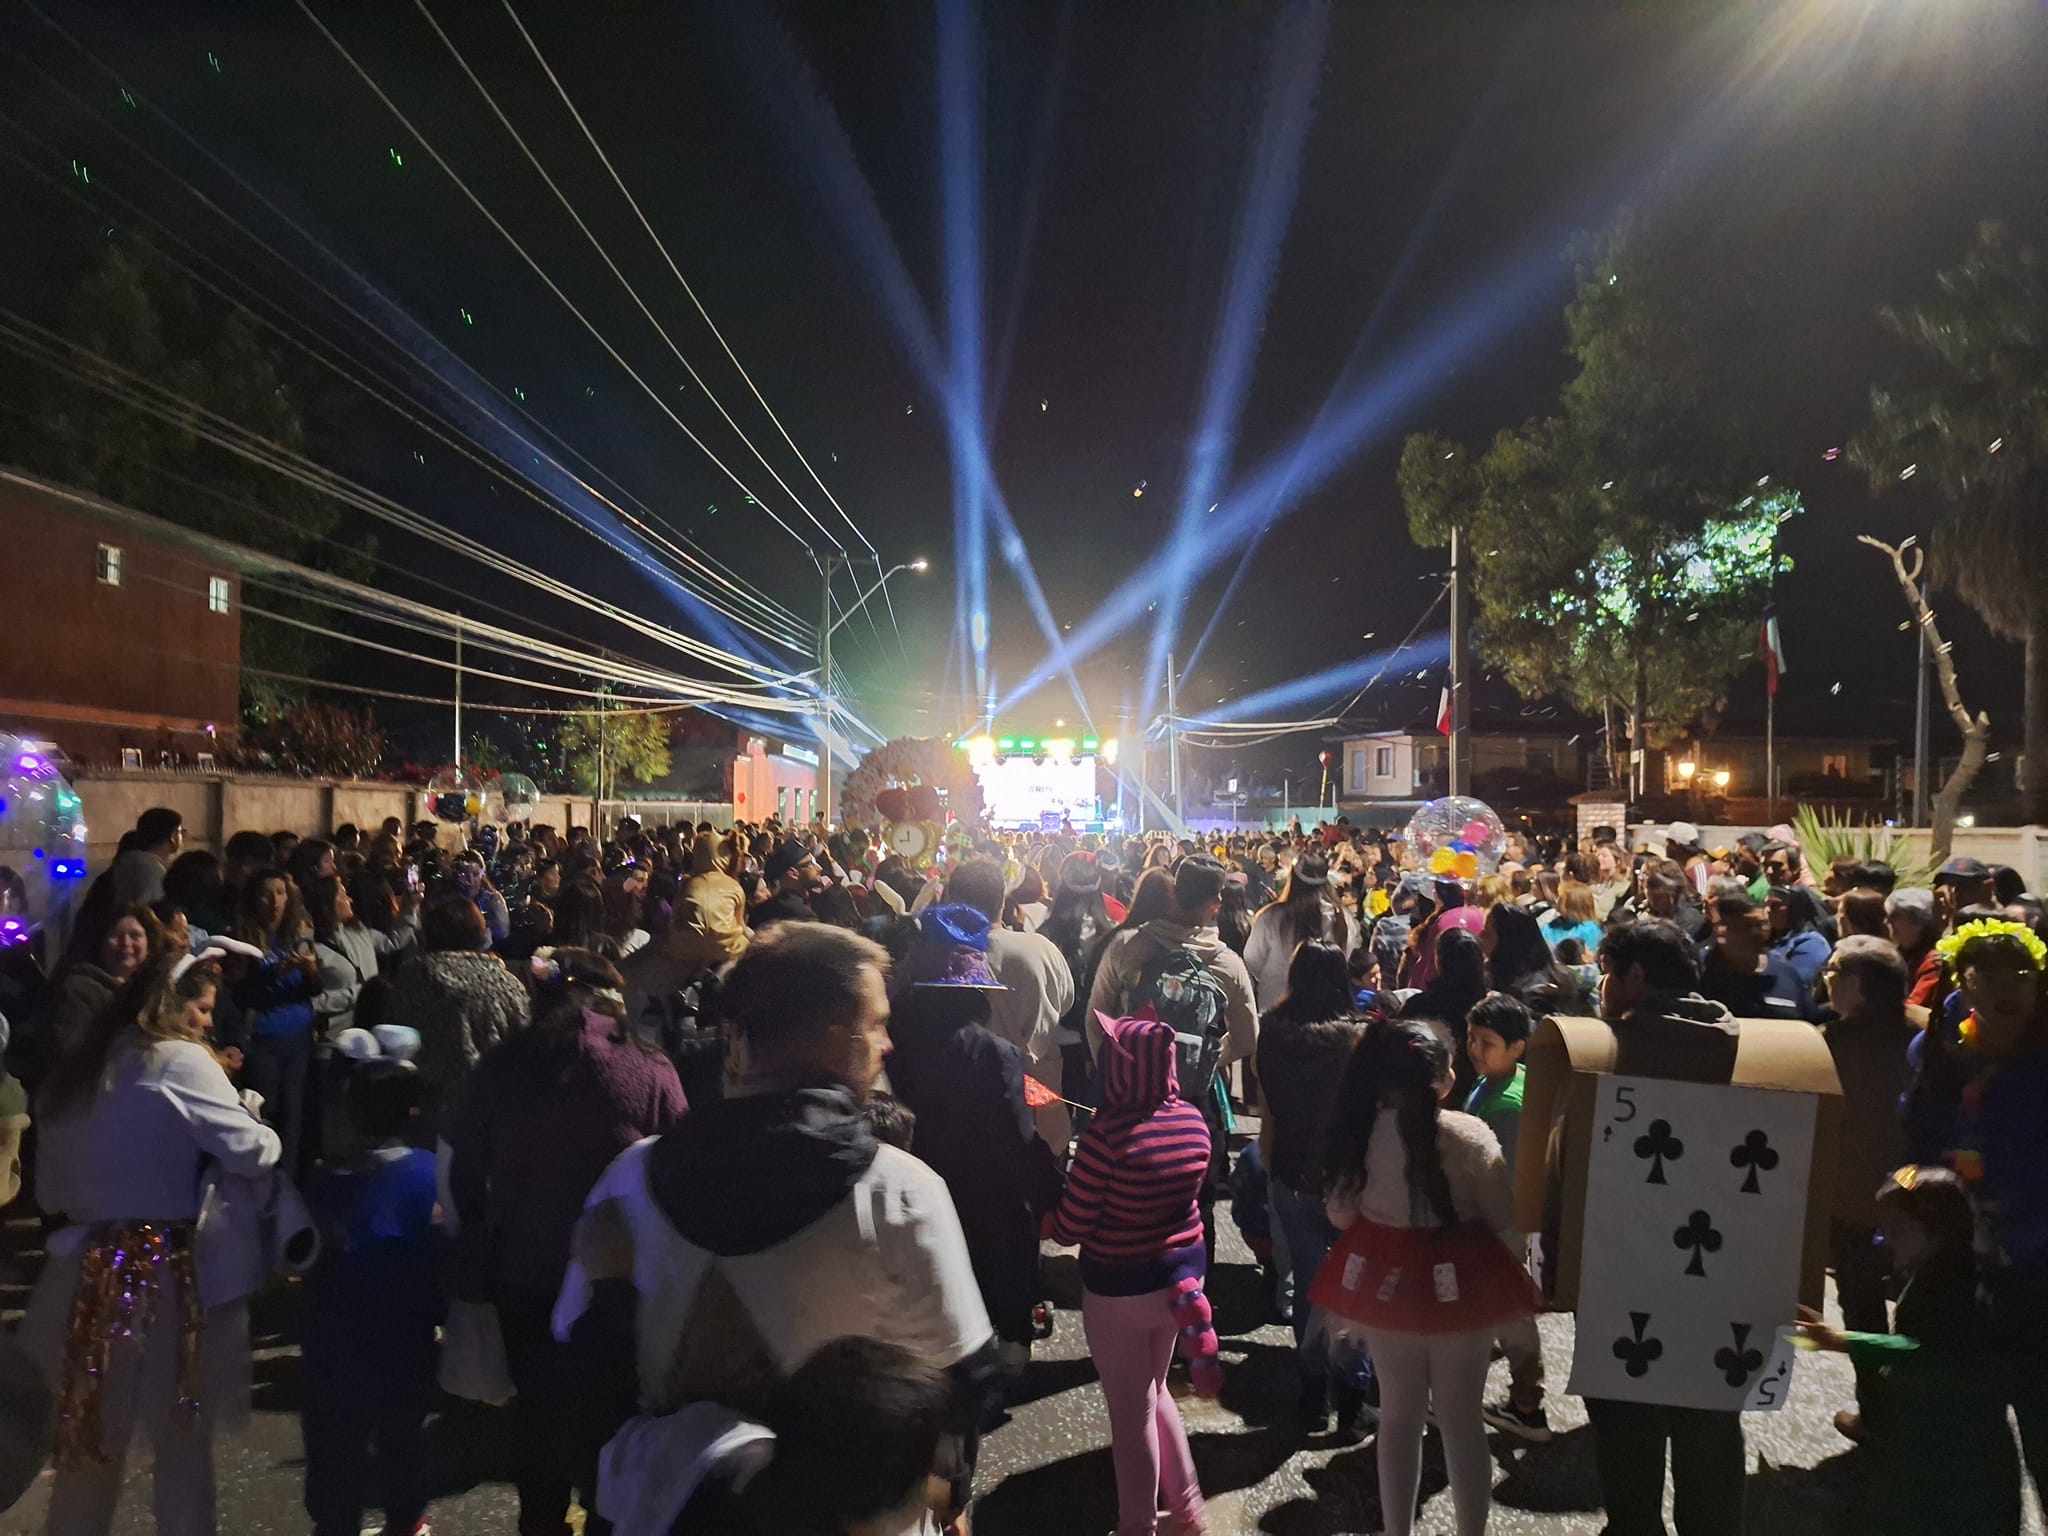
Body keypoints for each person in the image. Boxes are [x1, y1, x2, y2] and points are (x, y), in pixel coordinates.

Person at [554, 924, 998, 1526]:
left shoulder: (628, 1180)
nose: (887, 1044)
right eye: (875, 1024)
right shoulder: (901, 1192)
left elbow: (579, 1383)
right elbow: (967, 1383)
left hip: (669, 1513)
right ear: (835, 1037)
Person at [25, 954, 283, 1536]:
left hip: (84, 1269)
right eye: (204, 1010)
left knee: (89, 1442)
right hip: (163, 1270)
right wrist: (251, 1112)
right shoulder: (179, 1060)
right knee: (181, 1441)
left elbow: (51, 1189)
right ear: (172, 1003)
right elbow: (254, 1152)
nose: (208, 1025)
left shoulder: (83, 1066)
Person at [448, 948, 686, 1536]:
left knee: (537, 1422)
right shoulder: (647, 1066)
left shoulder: (503, 1066)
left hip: (523, 1272)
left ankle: (541, 1523)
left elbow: (462, 1168)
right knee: (615, 1422)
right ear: (612, 999)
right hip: (620, 1279)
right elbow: (682, 1163)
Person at [1315, 1020, 1536, 1536]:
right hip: (1465, 1290)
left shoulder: (1362, 1132)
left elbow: (1341, 1215)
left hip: (1387, 1290)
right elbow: (1502, 1215)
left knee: (1397, 1420)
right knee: (1463, 1424)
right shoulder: (1471, 1135)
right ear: (1444, 1080)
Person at [1572, 920, 1745, 1536]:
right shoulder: (1748, 1043)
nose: (1602, 984)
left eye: (1607, 971)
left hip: (1623, 1262)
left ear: (1636, 977)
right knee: (1711, 1419)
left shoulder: (1608, 1051)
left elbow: (1567, 1160)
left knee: (1626, 1418)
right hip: (1726, 1269)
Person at [1051, 1013, 1211, 1536]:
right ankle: (1188, 1513)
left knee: (1132, 1414)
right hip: (1179, 1283)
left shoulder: (1105, 1138)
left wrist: (1049, 1214)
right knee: (1155, 1389)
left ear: (1119, 1069)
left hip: (1119, 1290)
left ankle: (1138, 1526)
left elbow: (1072, 1227)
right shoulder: (1192, 1120)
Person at [1797, 1168, 2019, 1536]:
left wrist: (1842, 1340)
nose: (1886, 1239)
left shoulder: (1951, 1287)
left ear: (1935, 1232)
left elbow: (1921, 1353)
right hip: (1949, 1452)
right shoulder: (1948, 1272)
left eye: (1898, 1229)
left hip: (1954, 1463)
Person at [886, 906, 1063, 1364]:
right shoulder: (993, 1053)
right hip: (983, 1206)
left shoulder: (886, 1037)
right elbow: (1015, 1140)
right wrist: (1049, 1188)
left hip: (903, 1198)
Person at [1087, 856, 1259, 1262]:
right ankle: (1194, 1294)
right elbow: (1249, 1037)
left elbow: (1096, 1016)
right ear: (1216, 903)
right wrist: (1210, 1059)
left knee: (1128, 1197)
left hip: (1130, 1098)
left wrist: (1116, 1066)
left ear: (1173, 892)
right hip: (1195, 1103)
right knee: (1196, 1205)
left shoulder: (1128, 947)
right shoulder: (1226, 963)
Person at [299, 1061, 443, 1536]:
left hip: (333, 1344)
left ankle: (336, 1524)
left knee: (335, 1448)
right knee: (403, 1437)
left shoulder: (322, 1184)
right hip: (406, 1337)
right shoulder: (429, 1176)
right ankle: (408, 1521)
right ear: (412, 1113)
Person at [1252, 939, 1370, 1433]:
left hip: (1292, 1173)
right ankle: (1352, 1392)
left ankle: (1311, 1390)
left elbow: (1268, 1109)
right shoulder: (1359, 1039)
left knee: (1308, 1282)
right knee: (1352, 1288)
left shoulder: (1273, 1032)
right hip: (1349, 1181)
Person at [1817, 935, 1914, 1440]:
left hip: (1855, 1201)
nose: (1827, 982)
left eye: (1834, 975)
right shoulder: (1927, 1029)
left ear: (1855, 986)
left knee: (1863, 1311)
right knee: (1922, 1310)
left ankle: (1878, 1412)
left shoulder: (1830, 1044)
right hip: (1920, 1194)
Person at [1463, 993, 1551, 1441]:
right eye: (1471, 1038)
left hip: (1497, 1222)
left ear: (1519, 1047)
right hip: (1493, 1220)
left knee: (1502, 1309)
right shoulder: (1501, 1080)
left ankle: (1527, 1405)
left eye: (1488, 1042)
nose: (1475, 1049)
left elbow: (1508, 1178)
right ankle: (1523, 1401)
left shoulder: (1508, 1105)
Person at [945, 859, 1077, 1152]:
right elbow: (1066, 1003)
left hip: (973, 1103)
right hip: (1042, 1092)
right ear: (1003, 901)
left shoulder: (944, 960)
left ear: (952, 904)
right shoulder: (1041, 948)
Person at [386, 894, 532, 1116]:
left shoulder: (410, 977)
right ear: (480, 933)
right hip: (484, 1112)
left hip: (420, 1107)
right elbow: (522, 1045)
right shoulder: (504, 983)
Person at [229, 868, 323, 1174]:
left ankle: (290, 1185)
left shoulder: (298, 933)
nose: (274, 901)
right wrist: (272, 973)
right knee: (266, 1112)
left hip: (299, 1035)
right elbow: (239, 991)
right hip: (263, 1038)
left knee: (294, 1116)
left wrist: (310, 972)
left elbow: (313, 989)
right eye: (266, 894)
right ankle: (262, 1181)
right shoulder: (242, 936)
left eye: (280, 893)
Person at [306, 875, 417, 1054]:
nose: (349, 899)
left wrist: (410, 908)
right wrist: (358, 993)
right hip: (335, 1042)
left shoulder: (358, 931)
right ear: (328, 903)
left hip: (370, 1038)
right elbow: (313, 1001)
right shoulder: (312, 947)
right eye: (342, 895)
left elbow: (392, 942)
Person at [1243, 851, 1358, 1013]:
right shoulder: (1343, 918)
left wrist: (1277, 976)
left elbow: (1252, 959)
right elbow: (1342, 958)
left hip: (1275, 1005)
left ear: (1292, 878)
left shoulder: (1271, 916)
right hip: (1325, 1007)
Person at [1401, 927, 1490, 1102]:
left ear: (1439, 961)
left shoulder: (1419, 1006)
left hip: (1427, 1097)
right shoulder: (1490, 1005)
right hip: (1479, 1094)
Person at [1698, 888, 1811, 1022]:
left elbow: (1810, 1023)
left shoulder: (1786, 973)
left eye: (1760, 925)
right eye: (1747, 926)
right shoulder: (1698, 974)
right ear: (1721, 931)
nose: (1756, 933)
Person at [1766, 884, 1834, 992]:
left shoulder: (1811, 943)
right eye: (1767, 904)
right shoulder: (1770, 938)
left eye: (1775, 905)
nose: (1768, 910)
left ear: (1794, 910)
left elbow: (1796, 985)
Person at [1886, 888, 1944, 1009]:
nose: (1887, 922)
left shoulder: (1934, 962)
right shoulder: (1897, 954)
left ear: (1919, 921)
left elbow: (1914, 1006)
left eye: (1895, 916)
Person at [751, 840, 824, 928]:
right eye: (811, 863)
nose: (819, 868)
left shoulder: (759, 911)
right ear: (793, 873)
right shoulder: (804, 917)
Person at [1541, 879, 1605, 958]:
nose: (1557, 902)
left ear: (1573, 904)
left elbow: (1590, 958)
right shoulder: (1551, 926)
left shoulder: (1590, 929)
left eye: (1561, 900)